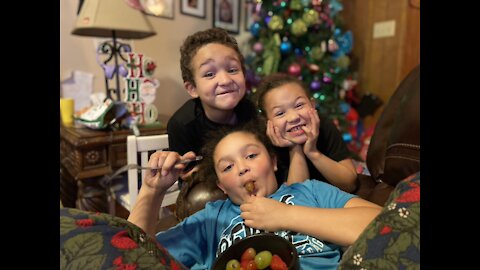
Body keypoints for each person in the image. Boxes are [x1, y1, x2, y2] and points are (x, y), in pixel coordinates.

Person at [128, 120, 382, 269]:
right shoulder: (212, 219)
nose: (242, 168)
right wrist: (152, 191)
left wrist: (287, 215)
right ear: (222, 187)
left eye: (251, 155)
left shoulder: (310, 191)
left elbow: (385, 224)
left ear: (273, 162)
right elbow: (132, 253)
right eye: (227, 167)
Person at [167, 28, 257, 183]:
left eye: (232, 69)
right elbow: (188, 181)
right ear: (192, 88)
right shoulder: (182, 125)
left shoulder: (253, 110)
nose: (225, 80)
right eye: (209, 74)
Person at [255, 73, 357, 192]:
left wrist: (312, 152)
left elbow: (350, 184)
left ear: (312, 105)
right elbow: (296, 199)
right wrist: (295, 148)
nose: (293, 118)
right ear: (268, 122)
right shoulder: (266, 146)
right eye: (280, 113)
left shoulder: (323, 126)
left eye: (299, 105)